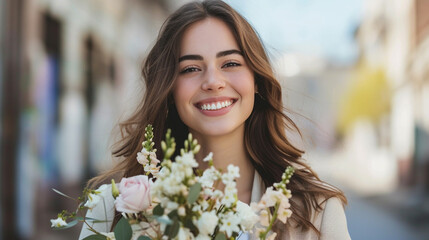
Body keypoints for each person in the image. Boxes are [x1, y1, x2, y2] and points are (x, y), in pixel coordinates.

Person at [79, 0, 350, 239]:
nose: (212, 82)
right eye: (191, 68)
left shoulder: (318, 213)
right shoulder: (112, 208)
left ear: (256, 80)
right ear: (170, 89)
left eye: (230, 63)